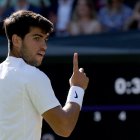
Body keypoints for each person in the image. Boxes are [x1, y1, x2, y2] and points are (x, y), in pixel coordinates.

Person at [0, 10, 89, 140]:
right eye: (37, 38)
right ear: (16, 40)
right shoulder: (31, 75)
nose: (44, 46)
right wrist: (77, 88)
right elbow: (64, 127)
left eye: (45, 39)